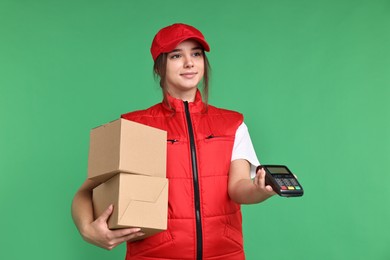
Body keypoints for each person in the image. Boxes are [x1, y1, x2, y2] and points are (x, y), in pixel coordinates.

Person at [71, 23, 276, 260]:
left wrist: (262, 189)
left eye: (196, 54)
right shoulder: (136, 125)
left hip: (225, 254)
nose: (189, 63)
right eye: (177, 55)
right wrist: (88, 230)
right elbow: (85, 192)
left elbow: (238, 188)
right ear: (159, 67)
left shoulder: (232, 124)